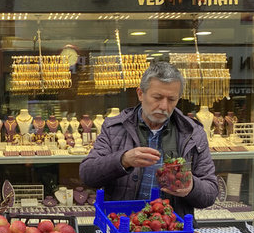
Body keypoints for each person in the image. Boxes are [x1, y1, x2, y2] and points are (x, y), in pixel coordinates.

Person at [79, 61, 218, 218]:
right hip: (122, 227)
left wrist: (192, 187)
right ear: (140, 94)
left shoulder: (193, 133)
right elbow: (87, 174)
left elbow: (211, 193)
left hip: (171, 230)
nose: (164, 106)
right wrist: (123, 160)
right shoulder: (114, 128)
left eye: (171, 99)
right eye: (157, 97)